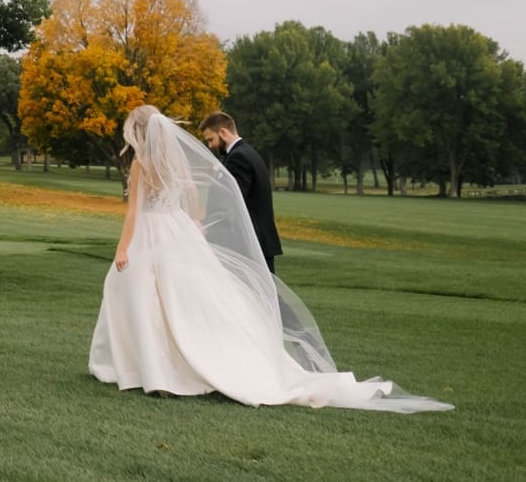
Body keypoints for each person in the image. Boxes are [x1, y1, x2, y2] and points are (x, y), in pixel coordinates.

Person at [88, 104, 451, 412]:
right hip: (178, 230)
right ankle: (179, 363)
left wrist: (123, 247)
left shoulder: (142, 164)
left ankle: (149, 368)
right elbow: (195, 205)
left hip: (153, 232)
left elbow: (134, 211)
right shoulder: (177, 163)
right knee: (189, 300)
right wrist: (193, 224)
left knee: (142, 295)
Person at [200, 112, 281, 272]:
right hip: (257, 240)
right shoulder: (246, 152)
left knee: (257, 295)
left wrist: (207, 226)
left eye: (211, 139)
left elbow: (231, 201)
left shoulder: (238, 158)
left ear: (223, 132)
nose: (210, 146)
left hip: (250, 242)